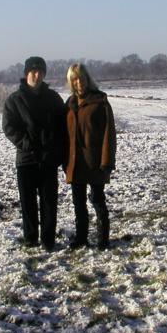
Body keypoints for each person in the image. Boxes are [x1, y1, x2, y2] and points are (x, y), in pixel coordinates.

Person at [2, 56, 66, 251]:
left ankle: (48, 240)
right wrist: (27, 144)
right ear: (26, 73)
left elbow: (63, 126)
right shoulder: (14, 99)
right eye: (33, 71)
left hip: (48, 159)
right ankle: (30, 238)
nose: (36, 75)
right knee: (28, 203)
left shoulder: (54, 98)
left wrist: (54, 147)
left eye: (40, 72)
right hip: (26, 159)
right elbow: (9, 127)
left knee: (49, 202)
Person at [64, 63, 117, 250]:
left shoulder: (100, 103)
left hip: (95, 162)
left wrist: (107, 161)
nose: (79, 82)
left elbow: (108, 134)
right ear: (71, 81)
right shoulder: (69, 105)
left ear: (87, 79)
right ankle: (81, 237)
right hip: (75, 162)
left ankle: (103, 239)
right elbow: (65, 135)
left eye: (81, 78)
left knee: (97, 199)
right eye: (74, 79)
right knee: (78, 203)